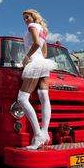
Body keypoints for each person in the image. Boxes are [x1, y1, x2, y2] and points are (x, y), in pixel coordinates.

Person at [17, 9, 56, 150]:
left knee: (22, 98)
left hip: (34, 61)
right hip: (43, 63)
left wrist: (26, 57)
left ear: (33, 16)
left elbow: (35, 44)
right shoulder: (43, 30)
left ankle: (38, 134)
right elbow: (44, 51)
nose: (26, 20)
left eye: (27, 16)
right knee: (44, 97)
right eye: (24, 18)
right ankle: (45, 132)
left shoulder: (32, 26)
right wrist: (40, 60)